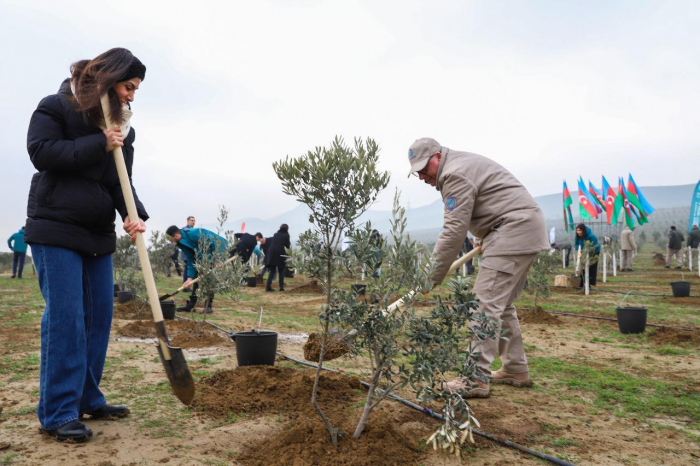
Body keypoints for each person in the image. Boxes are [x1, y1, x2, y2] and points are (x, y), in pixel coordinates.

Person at [24, 48, 147, 442]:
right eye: (128, 87)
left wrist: (135, 214)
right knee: (67, 321)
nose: (131, 96)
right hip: (56, 228)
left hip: (97, 234)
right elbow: (41, 153)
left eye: (135, 90)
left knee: (98, 320)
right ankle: (58, 413)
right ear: (109, 78)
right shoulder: (56, 107)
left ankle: (87, 397)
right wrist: (100, 143)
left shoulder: (122, 128)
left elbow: (119, 181)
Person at [407, 137, 549, 398]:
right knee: (501, 304)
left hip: (513, 230)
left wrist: (430, 277)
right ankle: (516, 369)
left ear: (437, 156)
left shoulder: (453, 174)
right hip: (519, 227)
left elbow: (452, 233)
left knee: (484, 303)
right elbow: (491, 203)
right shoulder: (459, 165)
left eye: (424, 168)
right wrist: (483, 237)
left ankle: (475, 378)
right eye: (417, 172)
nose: (422, 176)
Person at [166, 225, 226, 313]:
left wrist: (219, 259)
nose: (170, 241)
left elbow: (213, 243)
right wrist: (190, 278)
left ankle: (208, 306)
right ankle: (191, 305)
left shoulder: (193, 234)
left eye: (170, 238)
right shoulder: (181, 243)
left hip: (218, 250)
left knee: (210, 279)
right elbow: (191, 259)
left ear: (176, 236)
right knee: (197, 279)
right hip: (204, 258)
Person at [266, 224, 291, 292]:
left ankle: (268, 287)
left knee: (272, 271)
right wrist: (289, 253)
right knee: (281, 271)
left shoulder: (275, 234)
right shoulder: (286, 235)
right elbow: (287, 245)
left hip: (272, 253)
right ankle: (281, 287)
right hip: (281, 253)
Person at [181, 216, 195, 288]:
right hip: (187, 254)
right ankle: (186, 286)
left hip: (190, 254)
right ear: (187, 221)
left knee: (188, 269)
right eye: (192, 220)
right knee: (187, 269)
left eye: (194, 221)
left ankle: (186, 286)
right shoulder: (185, 230)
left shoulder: (192, 230)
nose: (193, 222)